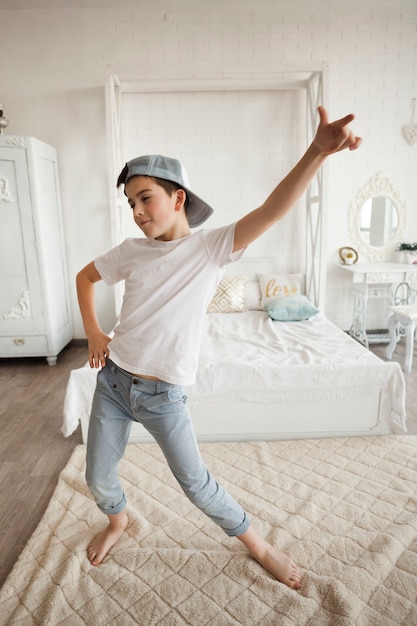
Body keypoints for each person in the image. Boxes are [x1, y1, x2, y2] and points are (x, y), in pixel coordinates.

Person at [76, 106, 361, 590]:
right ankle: (119, 520)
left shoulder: (209, 249)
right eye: (130, 203)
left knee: (196, 486)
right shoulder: (129, 250)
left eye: (145, 198)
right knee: (97, 477)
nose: (138, 211)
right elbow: (85, 277)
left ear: (178, 197)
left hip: (163, 396)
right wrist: (95, 332)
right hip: (113, 382)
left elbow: (273, 209)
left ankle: (259, 544)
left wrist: (317, 152)